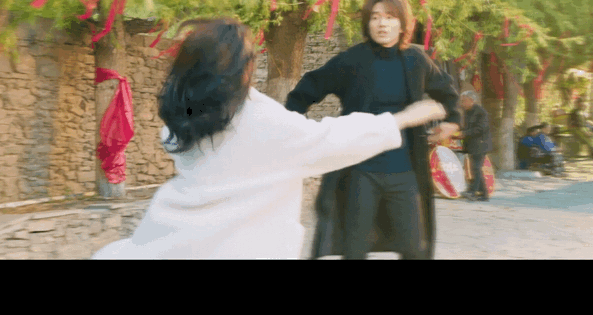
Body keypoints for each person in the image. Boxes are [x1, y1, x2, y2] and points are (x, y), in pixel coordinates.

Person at [90, 18, 446, 260]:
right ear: (242, 68)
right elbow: (332, 138)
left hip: (168, 239)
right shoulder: (261, 123)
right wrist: (404, 117)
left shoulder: (182, 121)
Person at [284, 0, 461, 260]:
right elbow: (307, 89)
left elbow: (447, 92)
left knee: (415, 249)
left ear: (403, 23)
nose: (382, 24)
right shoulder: (352, 60)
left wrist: (453, 121)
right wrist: (297, 130)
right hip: (360, 171)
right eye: (375, 17)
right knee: (355, 250)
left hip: (404, 170)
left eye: (390, 17)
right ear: (368, 23)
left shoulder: (416, 60)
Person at [457, 91, 492, 201]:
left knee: (476, 168)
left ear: (472, 100)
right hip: (472, 144)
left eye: (464, 100)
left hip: (480, 144)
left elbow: (481, 128)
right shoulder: (467, 112)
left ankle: (472, 192)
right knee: (475, 168)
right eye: (462, 100)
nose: (462, 103)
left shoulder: (481, 112)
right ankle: (483, 194)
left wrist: (465, 133)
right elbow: (467, 127)